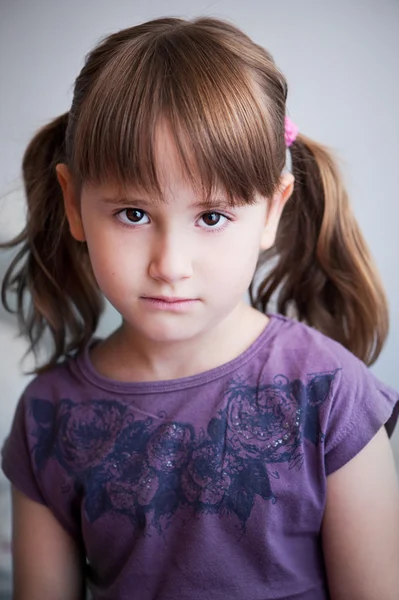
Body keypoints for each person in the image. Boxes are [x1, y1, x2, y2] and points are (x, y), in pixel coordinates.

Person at [1, 16, 398, 600]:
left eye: (211, 217)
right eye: (133, 214)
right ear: (74, 203)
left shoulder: (331, 394)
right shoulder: (49, 417)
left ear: (270, 211)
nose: (171, 263)